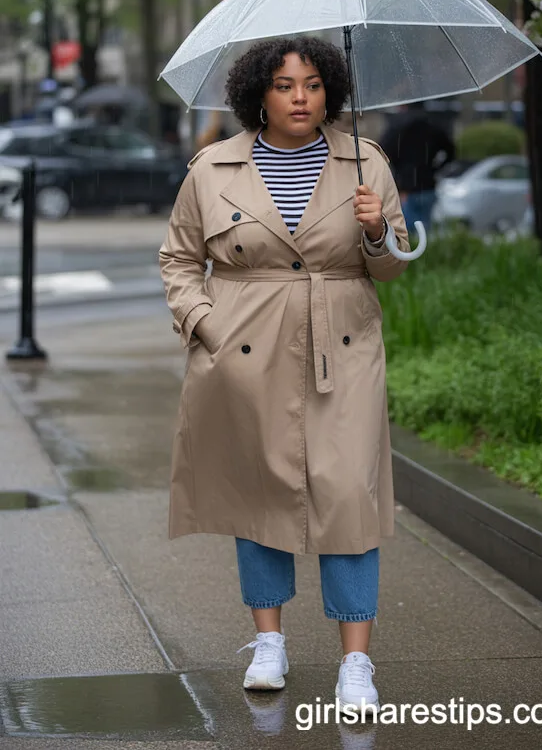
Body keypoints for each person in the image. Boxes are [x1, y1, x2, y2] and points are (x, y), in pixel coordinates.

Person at [159, 36, 411, 715]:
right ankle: (268, 643)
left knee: (349, 493)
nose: (301, 97)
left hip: (343, 342)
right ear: (257, 95)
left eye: (313, 84)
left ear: (331, 89)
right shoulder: (213, 168)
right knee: (259, 489)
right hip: (246, 348)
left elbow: (390, 267)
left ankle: (356, 661)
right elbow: (179, 260)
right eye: (283, 85)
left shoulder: (365, 163)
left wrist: (377, 233)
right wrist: (207, 324)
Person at [378, 101, 456, 233]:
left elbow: (382, 150)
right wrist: (436, 168)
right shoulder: (433, 125)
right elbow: (451, 150)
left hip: (406, 187)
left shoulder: (398, 125)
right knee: (425, 229)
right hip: (428, 184)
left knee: (405, 231)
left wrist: (397, 172)